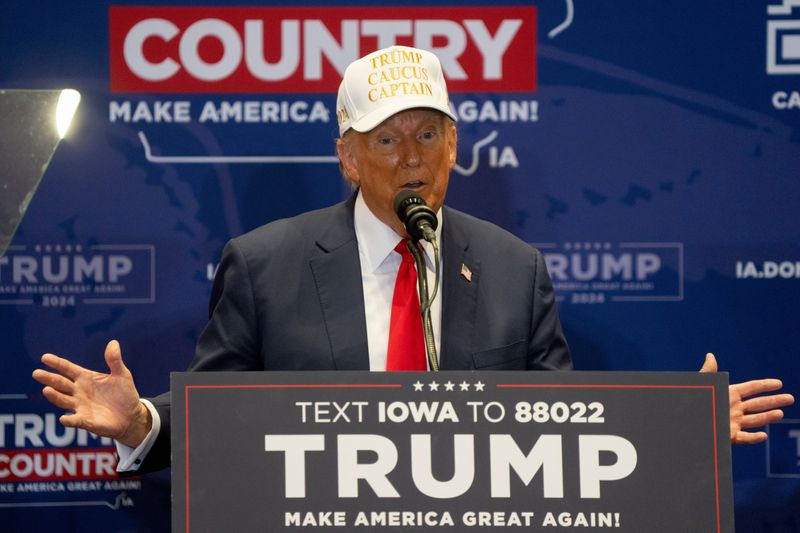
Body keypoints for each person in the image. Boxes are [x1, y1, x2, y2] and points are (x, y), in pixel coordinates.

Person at [32, 46, 793, 475]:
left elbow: (565, 431)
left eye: (429, 135)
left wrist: (676, 428)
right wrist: (142, 422)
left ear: (455, 146)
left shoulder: (514, 269)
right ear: (348, 158)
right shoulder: (264, 265)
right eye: (387, 139)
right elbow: (216, 415)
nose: (411, 158)